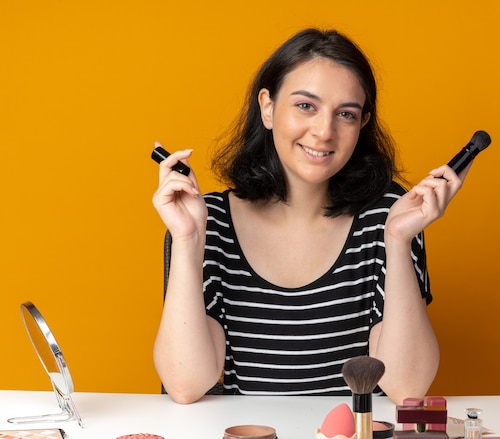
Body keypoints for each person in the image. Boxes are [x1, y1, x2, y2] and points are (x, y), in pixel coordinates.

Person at [152, 28, 469, 405]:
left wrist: (398, 241)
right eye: (306, 106)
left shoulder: (389, 215)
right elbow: (186, 385)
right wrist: (189, 240)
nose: (323, 131)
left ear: (362, 123)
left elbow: (407, 388)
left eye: (346, 114)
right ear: (267, 108)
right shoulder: (211, 221)